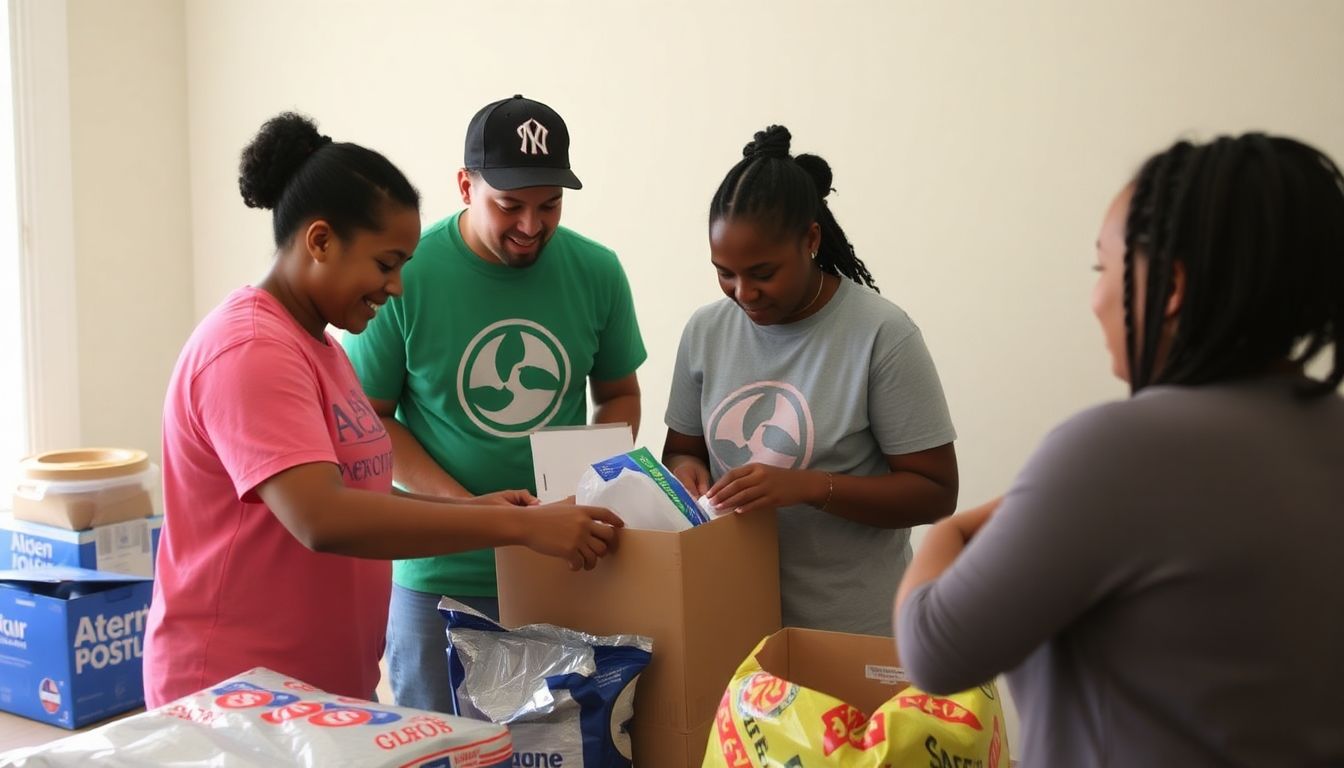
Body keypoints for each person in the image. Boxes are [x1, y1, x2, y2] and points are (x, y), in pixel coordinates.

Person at [142, 113, 622, 707]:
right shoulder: (251, 351)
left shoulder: (319, 348)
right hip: (236, 691)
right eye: (385, 263)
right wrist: (516, 525)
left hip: (316, 686)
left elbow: (360, 498)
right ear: (320, 241)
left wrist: (476, 509)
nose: (396, 287)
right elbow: (323, 517)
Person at [895, 134, 1344, 765]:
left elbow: (932, 649)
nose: (1096, 297)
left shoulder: (1117, 453)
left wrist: (956, 529)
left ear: (1171, 289)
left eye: (1102, 268)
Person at [342, 95, 646, 711]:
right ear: (464, 186)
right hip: (440, 580)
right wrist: (473, 513)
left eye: (549, 205)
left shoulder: (598, 271)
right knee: (434, 748)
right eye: (509, 206)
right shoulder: (405, 276)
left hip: (563, 569)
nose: (531, 226)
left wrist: (590, 488)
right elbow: (371, 420)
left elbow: (618, 394)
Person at [661, 125, 958, 636]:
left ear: (811, 240)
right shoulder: (705, 330)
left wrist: (806, 487)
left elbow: (935, 493)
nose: (744, 293)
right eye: (724, 272)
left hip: (852, 632)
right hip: (732, 623)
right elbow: (682, 450)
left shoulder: (881, 335)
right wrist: (686, 474)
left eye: (762, 272)